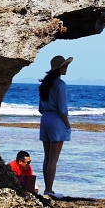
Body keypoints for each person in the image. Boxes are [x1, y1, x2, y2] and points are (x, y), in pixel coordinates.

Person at [38, 55, 73, 198]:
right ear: (59, 68)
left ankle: (47, 189)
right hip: (56, 120)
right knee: (53, 159)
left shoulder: (44, 84)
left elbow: (40, 108)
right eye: (65, 66)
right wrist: (67, 123)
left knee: (47, 157)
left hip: (45, 119)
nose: (66, 69)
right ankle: (49, 190)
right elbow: (62, 108)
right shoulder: (60, 84)